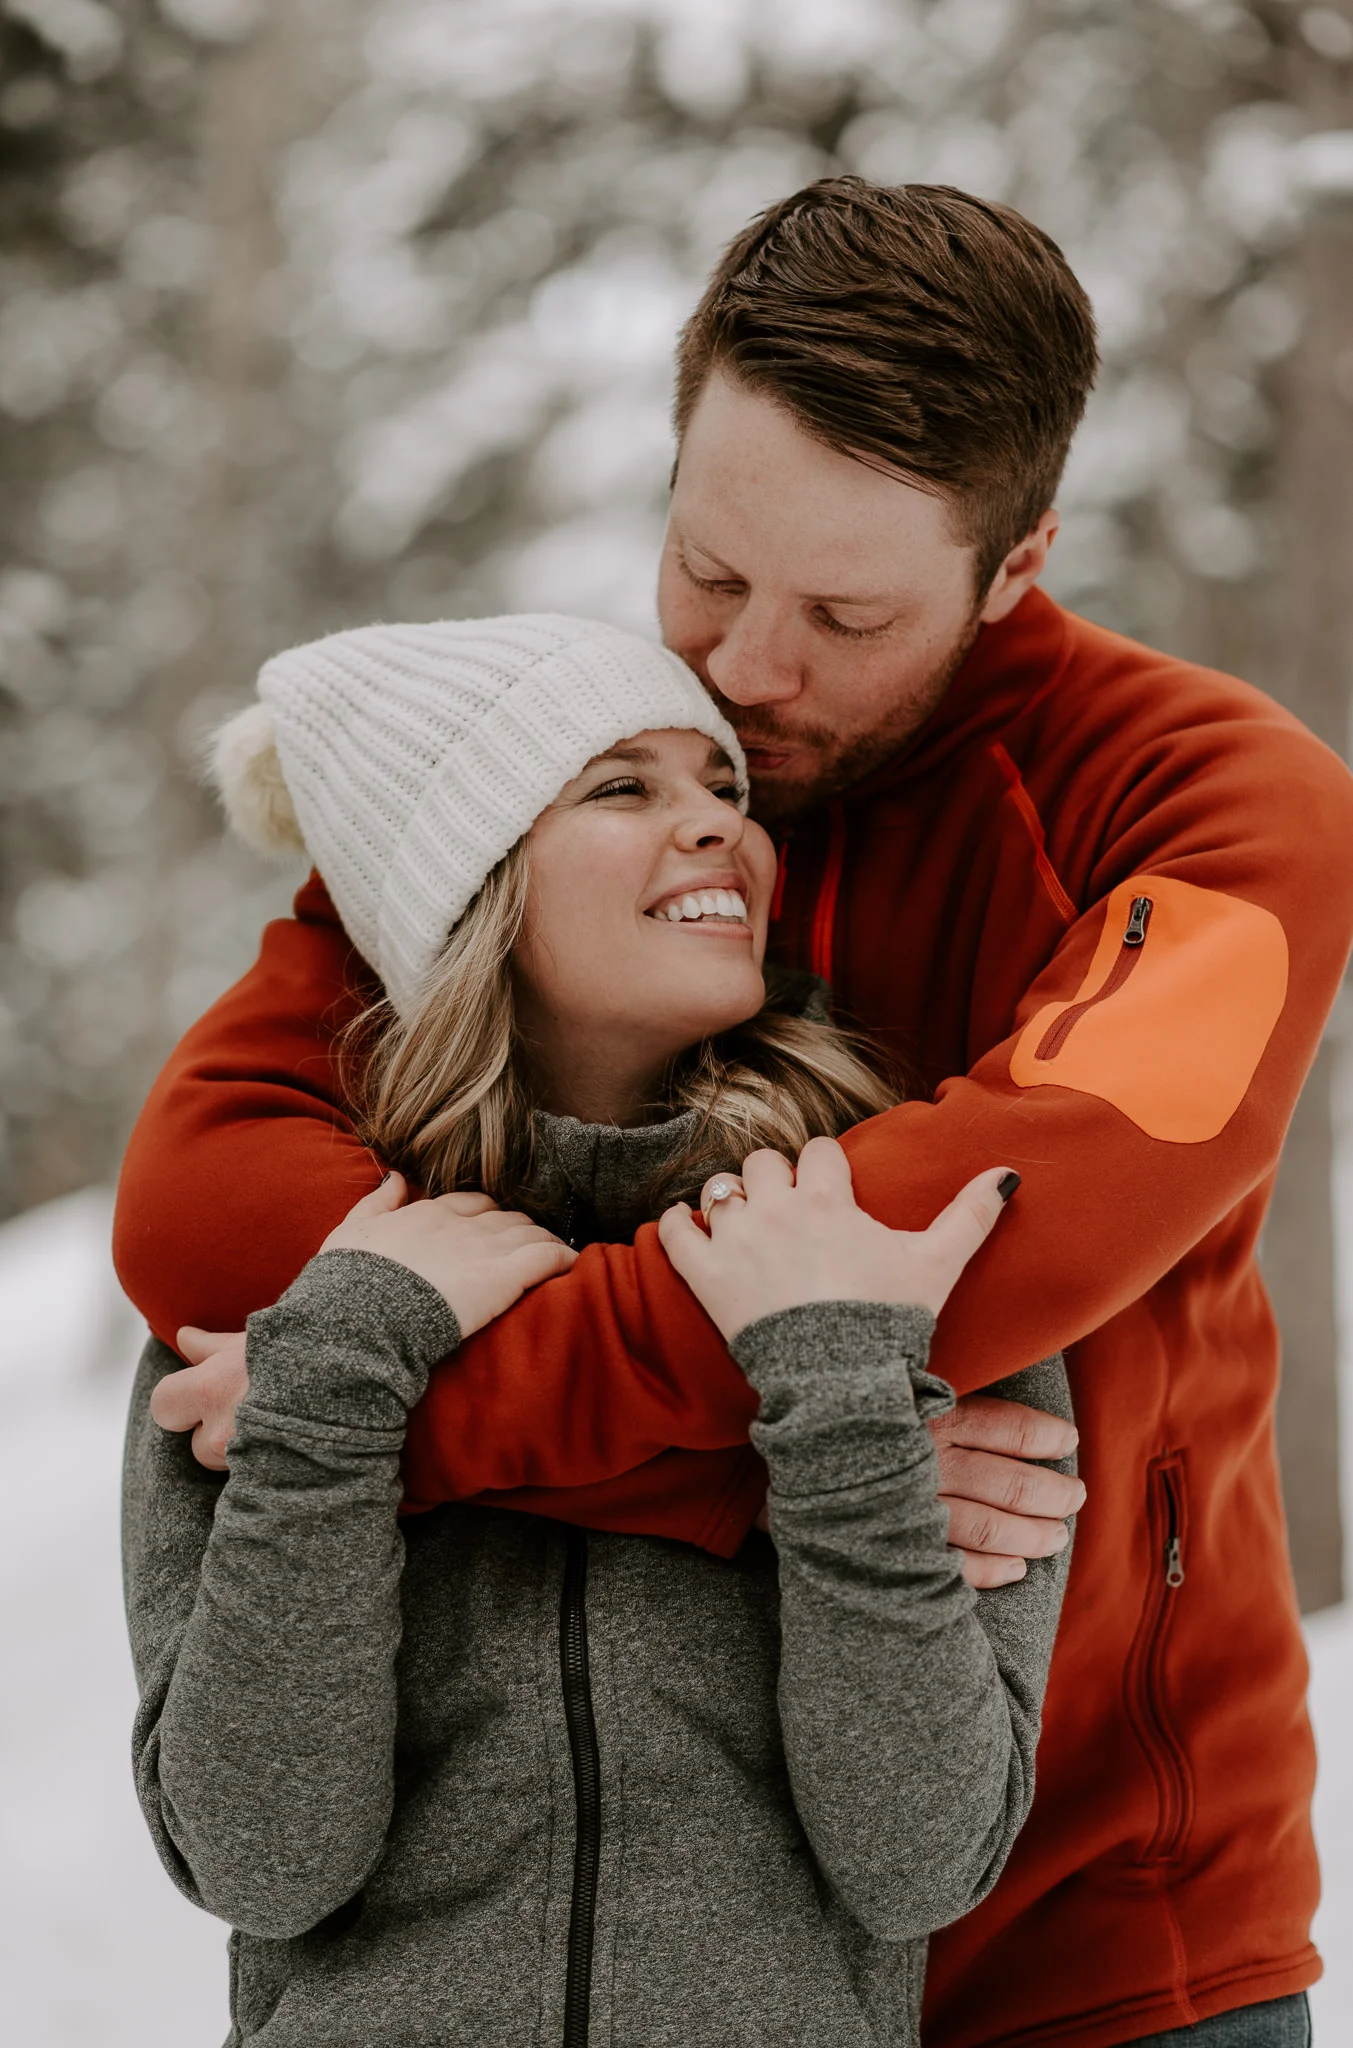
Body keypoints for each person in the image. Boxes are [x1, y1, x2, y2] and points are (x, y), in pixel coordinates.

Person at [113, 178, 1353, 2047]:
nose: (749, 675)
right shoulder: (585, 769)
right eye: (708, 568)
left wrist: (417, 1418)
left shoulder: (1216, 808)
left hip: (1104, 1924)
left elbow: (969, 1245)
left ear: (1014, 562)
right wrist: (800, 1462)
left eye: (846, 613)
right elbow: (209, 1198)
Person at [123, 613, 1074, 2047]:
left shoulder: (887, 1248)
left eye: (725, 789)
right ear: (470, 879)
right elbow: (259, 1855)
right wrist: (340, 1386)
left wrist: (835, 1406)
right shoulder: (294, 1305)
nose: (719, 831)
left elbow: (920, 1860)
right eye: (622, 787)